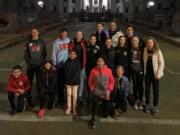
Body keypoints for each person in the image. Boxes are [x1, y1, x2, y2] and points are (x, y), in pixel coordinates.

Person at [88, 56, 115, 129]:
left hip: (105, 92)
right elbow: (90, 82)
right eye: (98, 61)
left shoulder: (108, 70)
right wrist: (93, 89)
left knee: (105, 115)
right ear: (96, 62)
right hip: (96, 92)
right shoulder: (93, 70)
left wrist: (109, 89)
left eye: (101, 61)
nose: (100, 62)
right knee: (94, 101)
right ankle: (93, 118)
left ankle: (103, 106)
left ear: (104, 62)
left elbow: (112, 81)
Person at [24, 27, 47, 107]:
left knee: (39, 83)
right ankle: (28, 98)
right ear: (31, 33)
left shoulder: (42, 42)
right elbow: (26, 56)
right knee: (29, 83)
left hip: (39, 66)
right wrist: (31, 63)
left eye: (35, 32)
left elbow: (44, 54)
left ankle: (38, 98)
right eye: (33, 32)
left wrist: (41, 62)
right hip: (30, 66)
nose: (34, 33)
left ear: (38, 33)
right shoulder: (28, 43)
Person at [143, 37, 165, 115]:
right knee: (147, 89)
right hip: (147, 74)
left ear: (153, 43)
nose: (149, 44)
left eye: (151, 43)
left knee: (156, 91)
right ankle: (147, 104)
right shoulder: (145, 50)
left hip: (155, 74)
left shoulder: (158, 51)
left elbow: (162, 63)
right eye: (148, 43)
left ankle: (155, 106)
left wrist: (158, 73)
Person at [52, 28, 70, 107]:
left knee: (67, 82)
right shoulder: (56, 42)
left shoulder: (69, 40)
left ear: (67, 34)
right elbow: (54, 52)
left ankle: (66, 97)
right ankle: (60, 98)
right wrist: (54, 63)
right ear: (60, 33)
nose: (64, 34)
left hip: (67, 64)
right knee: (60, 83)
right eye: (63, 33)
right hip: (59, 64)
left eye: (65, 33)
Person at [69, 31, 87, 103]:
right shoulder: (73, 42)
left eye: (80, 34)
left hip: (82, 64)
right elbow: (70, 52)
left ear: (82, 35)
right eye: (78, 34)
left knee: (81, 80)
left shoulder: (84, 43)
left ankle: (79, 95)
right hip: (74, 64)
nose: (79, 36)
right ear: (76, 35)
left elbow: (85, 53)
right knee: (74, 79)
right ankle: (73, 94)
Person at [129, 36, 144, 110]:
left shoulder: (142, 49)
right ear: (132, 41)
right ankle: (135, 100)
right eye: (133, 40)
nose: (135, 41)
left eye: (136, 40)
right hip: (133, 70)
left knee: (140, 86)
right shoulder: (129, 49)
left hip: (140, 70)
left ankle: (141, 101)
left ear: (138, 41)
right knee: (135, 85)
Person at [64, 50, 81, 116]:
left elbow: (77, 72)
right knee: (68, 95)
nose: (72, 55)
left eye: (73, 54)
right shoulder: (66, 62)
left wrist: (72, 80)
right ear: (69, 55)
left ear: (76, 55)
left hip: (75, 82)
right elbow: (66, 72)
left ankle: (74, 108)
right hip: (68, 82)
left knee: (74, 96)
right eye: (71, 54)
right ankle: (69, 108)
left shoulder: (78, 62)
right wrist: (69, 80)